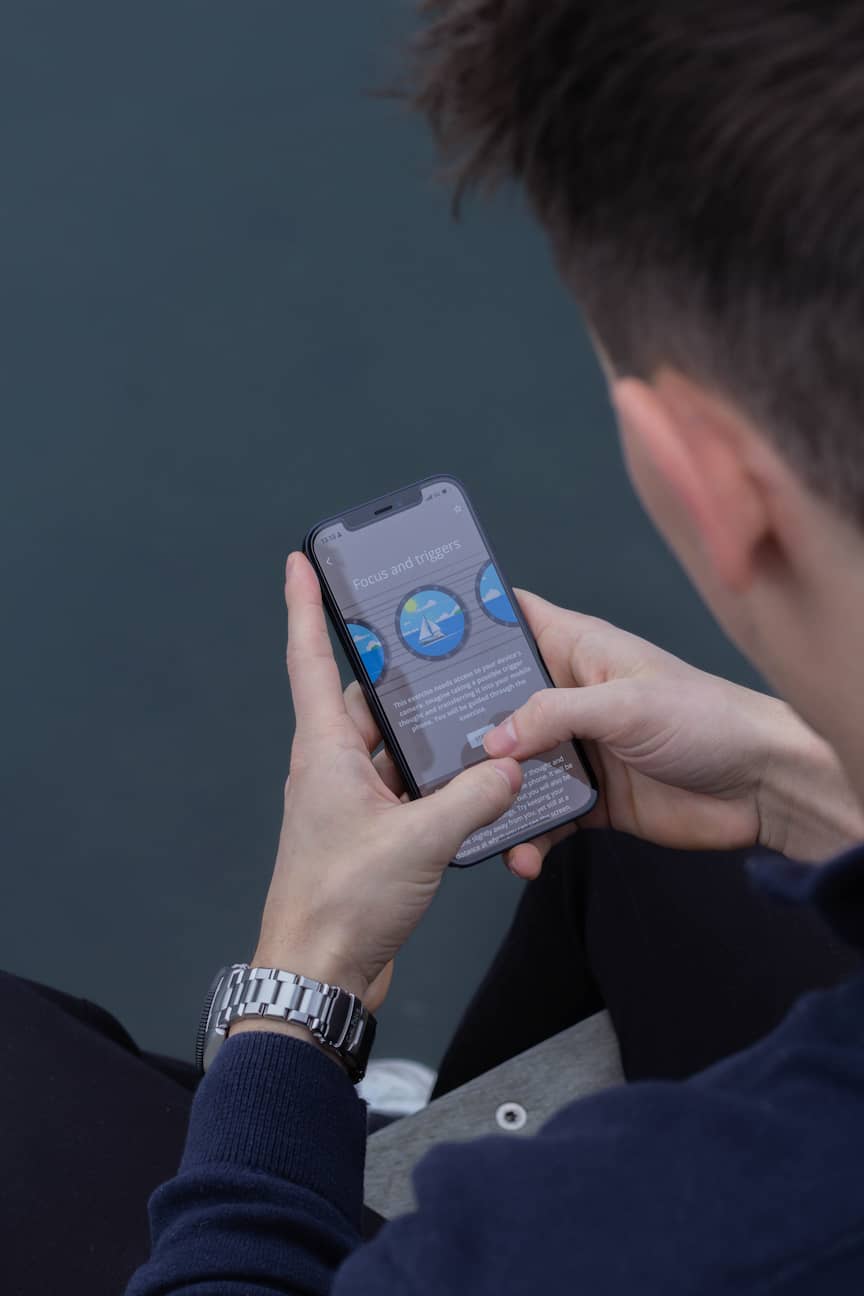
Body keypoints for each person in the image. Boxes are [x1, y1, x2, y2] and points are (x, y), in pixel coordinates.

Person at [9, 1, 864, 1291]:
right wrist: (801, 783)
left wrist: (304, 986)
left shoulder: (605, 1238)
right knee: (641, 859)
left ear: (701, 481)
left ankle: (347, 1141)